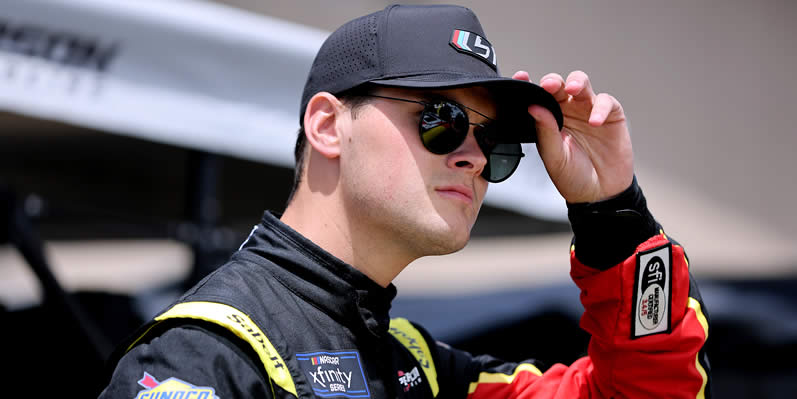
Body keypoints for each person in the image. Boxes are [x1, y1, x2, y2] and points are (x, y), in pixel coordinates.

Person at [100, 4, 711, 398]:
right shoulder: (206, 355)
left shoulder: (421, 373)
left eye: (492, 139)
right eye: (441, 119)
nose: (473, 156)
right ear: (328, 126)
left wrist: (613, 217)